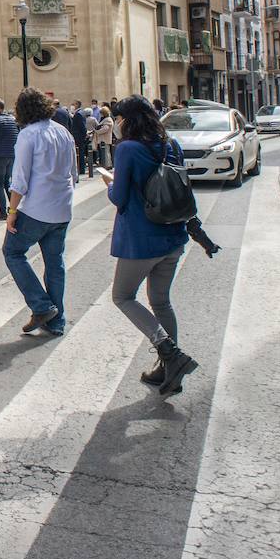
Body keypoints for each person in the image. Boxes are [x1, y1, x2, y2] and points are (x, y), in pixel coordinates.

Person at [100, 95, 197, 396]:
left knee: (123, 296)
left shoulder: (128, 148)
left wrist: (110, 183)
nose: (116, 124)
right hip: (173, 234)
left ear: (127, 120)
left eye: (118, 119)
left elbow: (119, 198)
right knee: (161, 300)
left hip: (142, 240)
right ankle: (169, 371)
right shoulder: (172, 144)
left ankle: (168, 351)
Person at [2, 88, 76, 338]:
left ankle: (42, 305)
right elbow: (73, 172)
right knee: (55, 262)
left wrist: (12, 211)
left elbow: (20, 178)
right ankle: (57, 320)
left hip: (36, 208)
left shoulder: (28, 135)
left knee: (13, 252)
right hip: (62, 207)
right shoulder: (63, 131)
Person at [69, 101, 90, 177]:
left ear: (77, 105)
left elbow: (82, 126)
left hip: (78, 136)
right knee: (81, 152)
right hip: (80, 136)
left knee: (80, 153)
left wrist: (85, 134)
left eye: (73, 104)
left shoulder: (78, 114)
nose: (72, 106)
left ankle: (81, 169)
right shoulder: (82, 112)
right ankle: (81, 168)